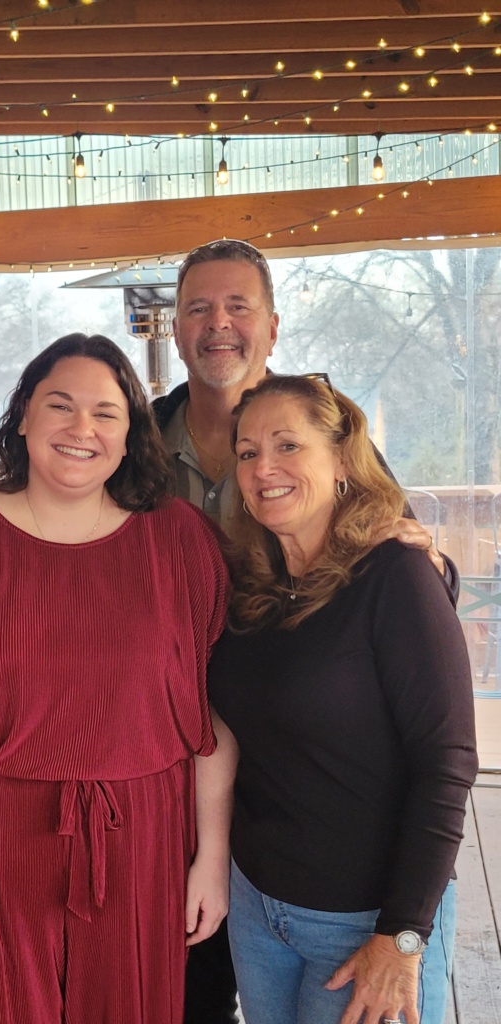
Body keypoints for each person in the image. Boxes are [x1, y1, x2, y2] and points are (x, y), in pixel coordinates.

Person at [0, 333, 235, 1024]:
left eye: (105, 412)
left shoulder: (179, 540)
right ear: (24, 418)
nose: (81, 427)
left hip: (143, 845)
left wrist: (210, 857)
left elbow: (214, 715)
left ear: (130, 434)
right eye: (60, 405)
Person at [153, 237, 458, 1024]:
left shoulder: (342, 472)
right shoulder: (136, 449)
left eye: (239, 306)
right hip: (215, 830)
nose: (218, 324)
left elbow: (406, 563)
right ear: (175, 327)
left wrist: (406, 933)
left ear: (273, 326)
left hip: (359, 897)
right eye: (198, 308)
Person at [207, 373, 477, 1024]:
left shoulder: (396, 573)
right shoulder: (251, 587)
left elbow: (447, 763)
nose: (263, 467)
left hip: (369, 923)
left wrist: (403, 936)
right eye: (247, 452)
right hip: (258, 909)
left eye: (288, 445)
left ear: (341, 462)